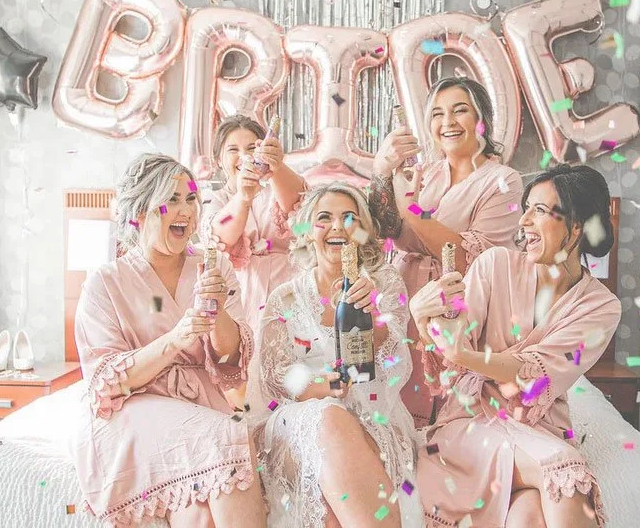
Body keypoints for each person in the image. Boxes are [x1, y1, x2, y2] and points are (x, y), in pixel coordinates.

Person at [410, 164, 622, 528]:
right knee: (564, 472)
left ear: (576, 227)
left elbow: (534, 376)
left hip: (539, 429)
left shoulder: (601, 307)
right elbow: (450, 357)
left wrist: (467, 356)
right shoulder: (495, 265)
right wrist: (423, 320)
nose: (523, 221)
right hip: (470, 424)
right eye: (526, 207)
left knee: (529, 519)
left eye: (539, 210)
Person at [72, 153, 265, 528]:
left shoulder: (214, 265)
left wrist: (217, 316)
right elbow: (107, 382)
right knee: (226, 437)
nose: (186, 211)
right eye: (171, 199)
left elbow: (233, 362)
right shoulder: (104, 284)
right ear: (140, 212)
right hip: (135, 407)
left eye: (191, 198)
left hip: (201, 404)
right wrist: (176, 338)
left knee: (198, 509)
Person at [256, 183, 420, 528]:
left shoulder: (385, 282)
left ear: (362, 231)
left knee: (332, 512)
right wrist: (324, 386)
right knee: (329, 415)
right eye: (324, 218)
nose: (337, 226)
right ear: (307, 231)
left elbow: (395, 359)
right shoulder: (284, 296)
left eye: (349, 217)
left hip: (376, 413)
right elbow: (275, 376)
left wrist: (373, 316)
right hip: (301, 419)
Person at [370, 76, 523, 427]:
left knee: (446, 402)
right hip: (404, 294)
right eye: (437, 114)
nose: (448, 122)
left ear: (481, 118)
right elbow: (385, 230)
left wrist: (411, 208)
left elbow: (469, 257)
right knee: (400, 399)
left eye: (460, 111)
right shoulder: (423, 173)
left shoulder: (502, 180)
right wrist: (381, 172)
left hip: (456, 303)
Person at [201, 114, 307, 330]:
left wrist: (277, 168)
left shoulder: (277, 189)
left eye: (251, 148)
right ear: (219, 160)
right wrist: (243, 196)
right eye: (233, 150)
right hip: (240, 299)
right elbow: (220, 239)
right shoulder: (215, 200)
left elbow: (302, 210)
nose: (244, 157)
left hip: (289, 293)